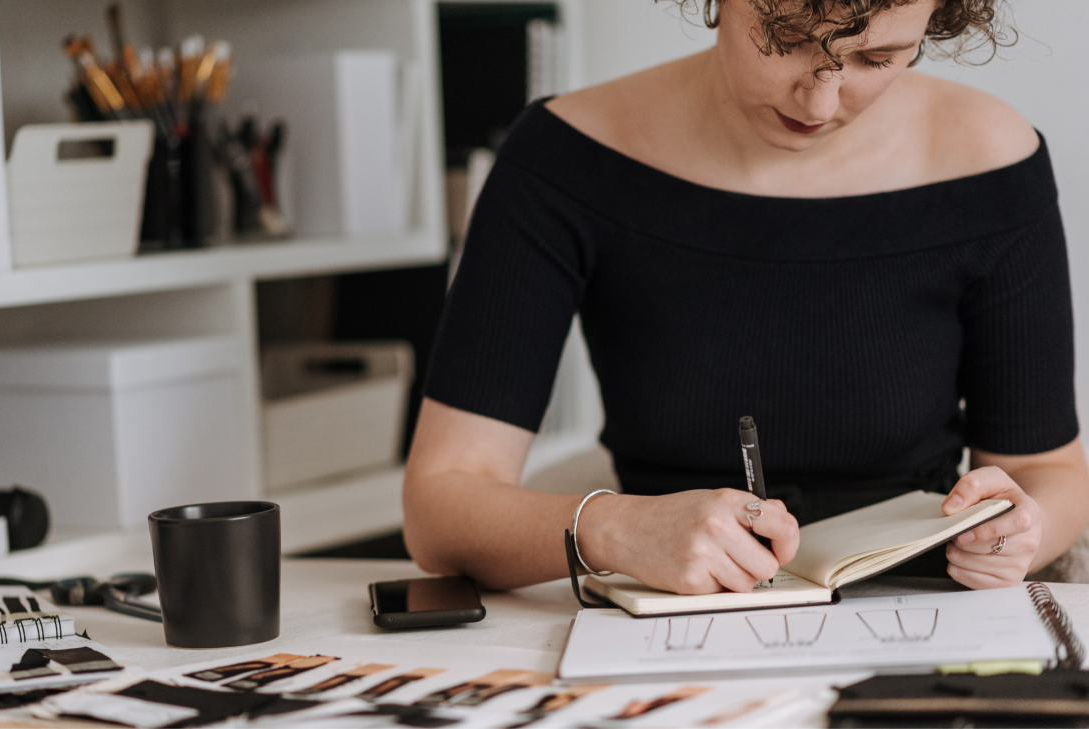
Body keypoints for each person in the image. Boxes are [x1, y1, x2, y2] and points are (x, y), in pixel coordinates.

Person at [402, 0, 1089, 596]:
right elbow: (440, 506)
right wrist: (610, 528)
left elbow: (1046, 469)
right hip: (662, 608)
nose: (819, 104)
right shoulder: (565, 158)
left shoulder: (990, 159)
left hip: (922, 611)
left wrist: (1020, 528)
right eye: (787, 40)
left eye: (877, 58)